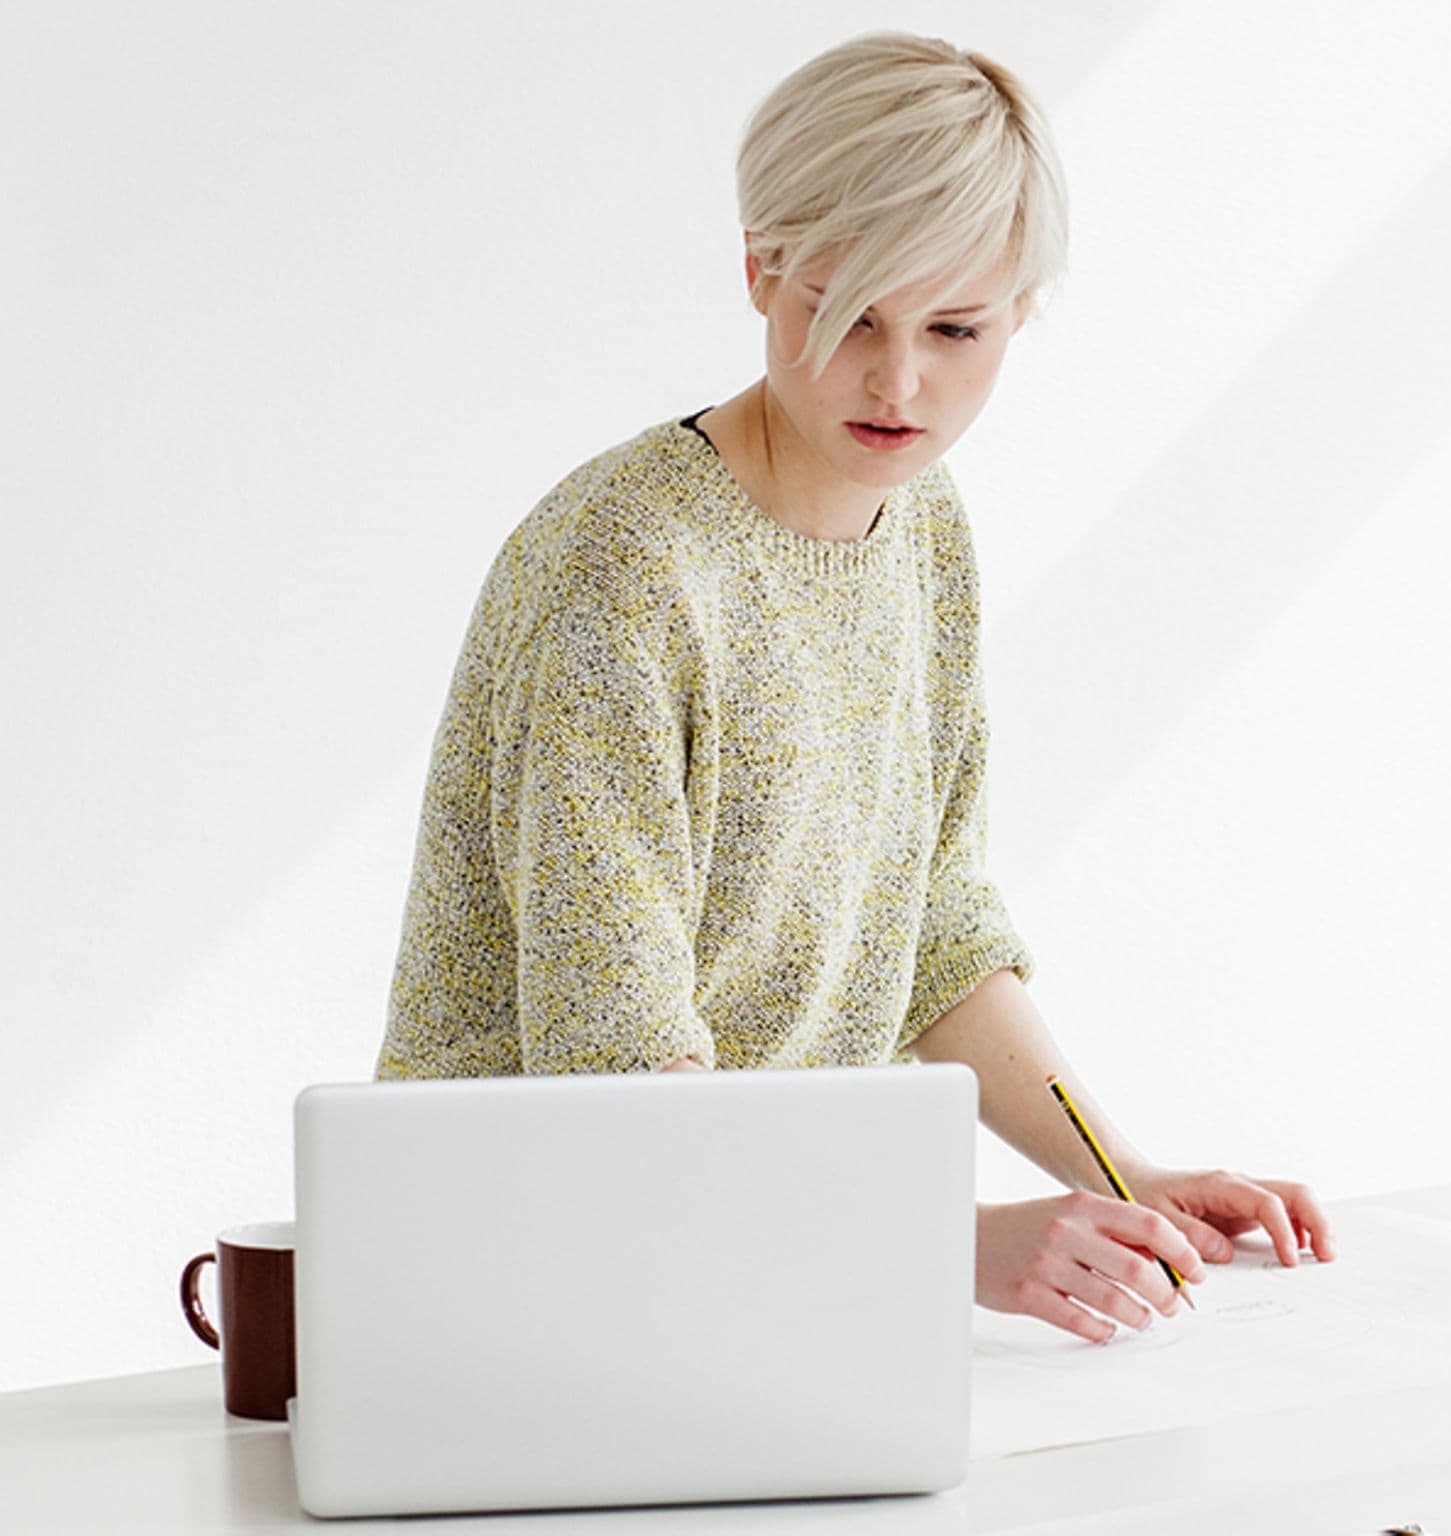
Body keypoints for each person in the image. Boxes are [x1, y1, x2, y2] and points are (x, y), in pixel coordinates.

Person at [375, 30, 1333, 1344]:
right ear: (761, 272)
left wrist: (1130, 1180)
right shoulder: (628, 570)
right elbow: (616, 1079)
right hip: (522, 1292)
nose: (900, 383)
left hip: (773, 1287)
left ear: (1022, 312)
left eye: (954, 328)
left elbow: (931, 930)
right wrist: (958, 1248)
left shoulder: (920, 526)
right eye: (846, 316)